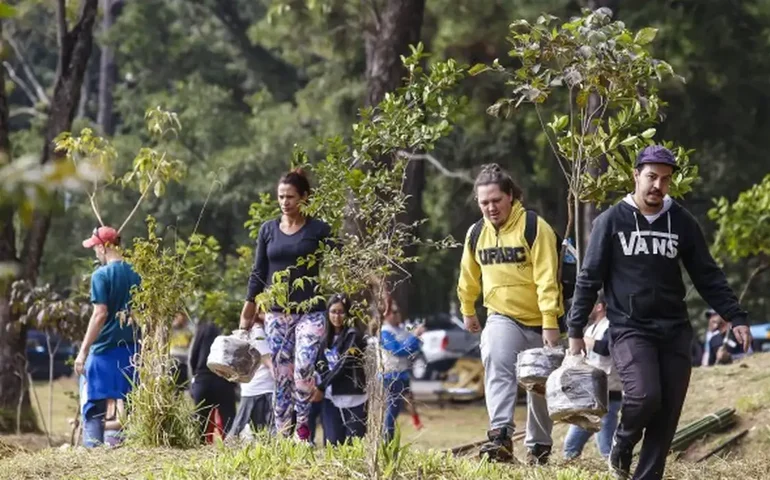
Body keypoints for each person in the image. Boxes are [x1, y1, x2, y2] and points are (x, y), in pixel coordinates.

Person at [567, 145, 752, 480]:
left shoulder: (681, 221)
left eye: (665, 179)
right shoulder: (610, 222)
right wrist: (575, 329)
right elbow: (589, 277)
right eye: (651, 177)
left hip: (675, 329)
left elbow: (707, 274)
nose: (657, 185)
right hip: (629, 327)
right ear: (636, 175)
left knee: (667, 416)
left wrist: (735, 315)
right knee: (644, 396)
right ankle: (622, 443)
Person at [456, 163, 563, 464]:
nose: (490, 208)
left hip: (541, 321)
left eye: (496, 200)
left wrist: (550, 322)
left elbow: (547, 279)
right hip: (502, 316)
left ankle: (539, 448)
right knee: (496, 361)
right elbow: (468, 276)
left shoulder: (533, 226)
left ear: (511, 197)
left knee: (539, 384)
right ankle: (500, 437)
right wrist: (468, 310)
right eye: (484, 202)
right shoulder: (476, 233)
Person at [239, 168, 333, 442]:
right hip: (277, 314)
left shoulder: (319, 229)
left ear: (304, 197)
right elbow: (258, 271)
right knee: (281, 377)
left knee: (303, 370)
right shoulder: (268, 230)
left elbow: (345, 259)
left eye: (290, 196)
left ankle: (302, 431)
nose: (285, 202)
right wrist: (249, 304)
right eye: (280, 197)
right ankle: (282, 435)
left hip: (311, 313)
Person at [75, 226, 141, 448]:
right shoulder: (137, 273)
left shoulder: (101, 276)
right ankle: (131, 450)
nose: (94, 252)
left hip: (103, 351)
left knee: (93, 406)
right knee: (132, 404)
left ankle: (93, 454)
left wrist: (83, 352)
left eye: (94, 247)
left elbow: (100, 313)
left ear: (104, 247)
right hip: (132, 350)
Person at [563, 292, 622, 461]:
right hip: (589, 395)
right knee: (571, 445)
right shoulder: (590, 329)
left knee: (606, 448)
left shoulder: (612, 326)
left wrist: (582, 340)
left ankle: (615, 471)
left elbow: (606, 348)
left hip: (608, 395)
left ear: (599, 306)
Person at [311, 294, 369, 446]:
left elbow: (344, 364)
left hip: (353, 397)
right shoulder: (325, 338)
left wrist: (321, 386)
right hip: (330, 399)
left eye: (341, 312)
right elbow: (320, 365)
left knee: (354, 446)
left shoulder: (354, 335)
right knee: (332, 444)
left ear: (348, 313)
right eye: (333, 312)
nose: (337, 316)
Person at [379, 294, 425, 442]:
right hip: (390, 376)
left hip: (402, 374)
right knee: (392, 409)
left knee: (407, 402)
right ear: (385, 314)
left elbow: (413, 348)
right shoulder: (385, 332)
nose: (397, 314)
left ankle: (416, 422)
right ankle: (387, 438)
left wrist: (416, 337)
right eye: (393, 312)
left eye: (397, 311)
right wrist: (414, 337)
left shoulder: (400, 329)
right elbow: (399, 351)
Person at [227, 312, 275, 441]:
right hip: (261, 387)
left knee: (256, 429)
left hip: (257, 387)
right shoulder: (258, 331)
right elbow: (265, 357)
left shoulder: (257, 330)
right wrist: (279, 376)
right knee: (264, 429)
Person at [188, 320, 237, 442]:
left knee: (200, 423)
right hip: (224, 379)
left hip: (203, 379)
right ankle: (230, 448)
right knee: (228, 421)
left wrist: (196, 377)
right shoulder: (228, 328)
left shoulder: (202, 329)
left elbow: (193, 356)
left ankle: (199, 448)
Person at [170, 311, 194, 390]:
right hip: (173, 361)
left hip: (184, 362)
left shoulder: (189, 331)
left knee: (182, 386)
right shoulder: (171, 329)